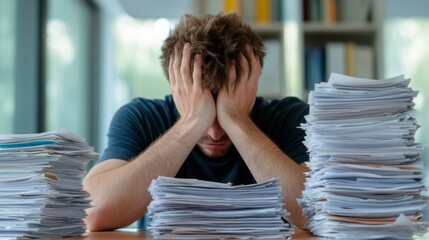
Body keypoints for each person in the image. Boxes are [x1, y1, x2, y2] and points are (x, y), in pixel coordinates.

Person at [83, 12, 309, 231]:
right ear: (176, 86)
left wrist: (237, 120)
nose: (215, 132)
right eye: (203, 107)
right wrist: (191, 123)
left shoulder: (290, 118)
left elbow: (318, 211)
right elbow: (90, 212)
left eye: (225, 109)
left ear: (252, 85)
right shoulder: (140, 117)